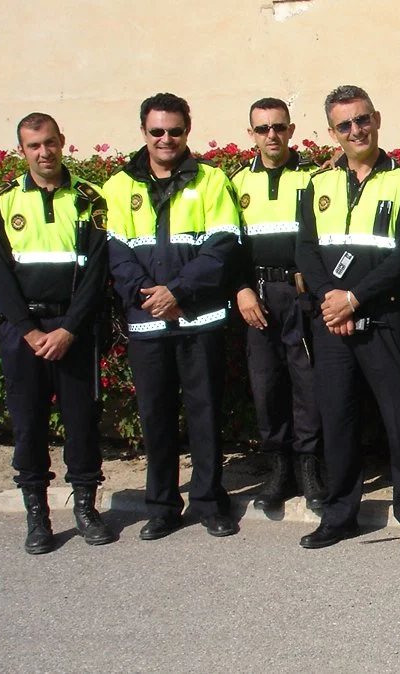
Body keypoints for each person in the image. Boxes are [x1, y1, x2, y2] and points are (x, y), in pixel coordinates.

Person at [294, 85, 400, 549]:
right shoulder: (318, 184)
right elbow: (306, 250)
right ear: (332, 132)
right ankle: (339, 514)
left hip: (385, 320)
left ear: (377, 119)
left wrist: (353, 299)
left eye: (362, 119)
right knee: (338, 420)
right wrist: (331, 301)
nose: (356, 130)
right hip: (332, 322)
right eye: (345, 124)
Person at [102, 93, 241, 540]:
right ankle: (162, 506)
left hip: (198, 320)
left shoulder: (212, 180)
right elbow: (116, 255)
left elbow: (222, 248)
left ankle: (207, 502)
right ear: (143, 132)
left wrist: (177, 292)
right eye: (157, 131)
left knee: (204, 414)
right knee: (155, 416)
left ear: (188, 130)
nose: (166, 139)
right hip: (147, 323)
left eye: (175, 131)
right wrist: (153, 299)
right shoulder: (118, 185)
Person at [0, 112, 114, 554]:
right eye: (34, 145)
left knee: (82, 425)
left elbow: (97, 274)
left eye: (50, 142)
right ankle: (37, 517)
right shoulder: (2, 203)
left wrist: (70, 329)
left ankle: (85, 509)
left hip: (72, 332)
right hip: (25, 335)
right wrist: (28, 331)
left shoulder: (90, 199)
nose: (44, 152)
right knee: (29, 426)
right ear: (22, 151)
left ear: (62, 141)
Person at [228, 97, 326, 513]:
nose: (272, 135)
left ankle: (309, 470)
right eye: (263, 128)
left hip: (300, 295)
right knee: (267, 385)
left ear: (291, 129)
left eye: (279, 127)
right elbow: (227, 245)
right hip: (258, 297)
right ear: (251, 134)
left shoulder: (314, 177)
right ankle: (278, 470)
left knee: (307, 385)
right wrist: (241, 289)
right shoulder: (235, 182)